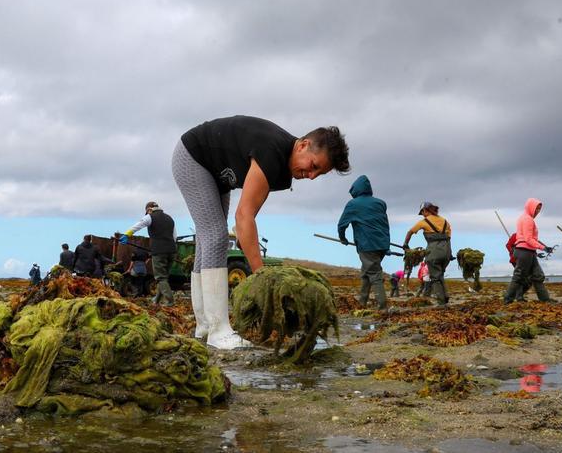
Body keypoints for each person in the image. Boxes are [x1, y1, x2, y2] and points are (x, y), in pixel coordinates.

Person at [172, 115, 350, 348]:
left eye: (320, 173)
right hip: (193, 156)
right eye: (314, 166)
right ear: (303, 145)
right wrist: (263, 278)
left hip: (216, 172)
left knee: (208, 240)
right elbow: (243, 217)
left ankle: (204, 325)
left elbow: (249, 216)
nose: (312, 176)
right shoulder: (271, 151)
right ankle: (218, 331)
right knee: (215, 235)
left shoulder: (284, 168)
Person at [337, 175, 390, 310]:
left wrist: (343, 239)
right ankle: (362, 303)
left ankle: (383, 308)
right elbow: (385, 225)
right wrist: (387, 246)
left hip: (367, 245)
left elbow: (342, 224)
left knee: (374, 274)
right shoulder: (380, 203)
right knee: (367, 272)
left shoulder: (353, 204)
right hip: (382, 244)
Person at [120, 201, 177, 306]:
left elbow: (138, 225)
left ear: (149, 209)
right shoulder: (170, 218)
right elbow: (174, 237)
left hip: (159, 251)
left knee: (160, 277)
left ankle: (170, 301)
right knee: (164, 277)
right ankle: (156, 300)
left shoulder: (150, 216)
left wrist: (127, 234)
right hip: (172, 251)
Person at [503, 198, 553, 304]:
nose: (537, 211)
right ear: (531, 207)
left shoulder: (524, 218)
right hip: (524, 251)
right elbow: (528, 239)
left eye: (539, 209)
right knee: (519, 276)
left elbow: (529, 239)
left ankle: (545, 299)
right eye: (536, 208)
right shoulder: (527, 219)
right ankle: (508, 299)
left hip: (528, 251)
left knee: (538, 275)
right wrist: (543, 247)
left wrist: (539, 248)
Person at [403, 202, 452, 306]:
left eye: (422, 212)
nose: (423, 215)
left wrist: (406, 244)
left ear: (425, 210)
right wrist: (450, 254)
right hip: (447, 252)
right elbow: (448, 237)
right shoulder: (445, 221)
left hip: (434, 252)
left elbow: (410, 232)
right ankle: (446, 296)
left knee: (435, 277)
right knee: (440, 274)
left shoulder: (424, 222)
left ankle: (441, 301)